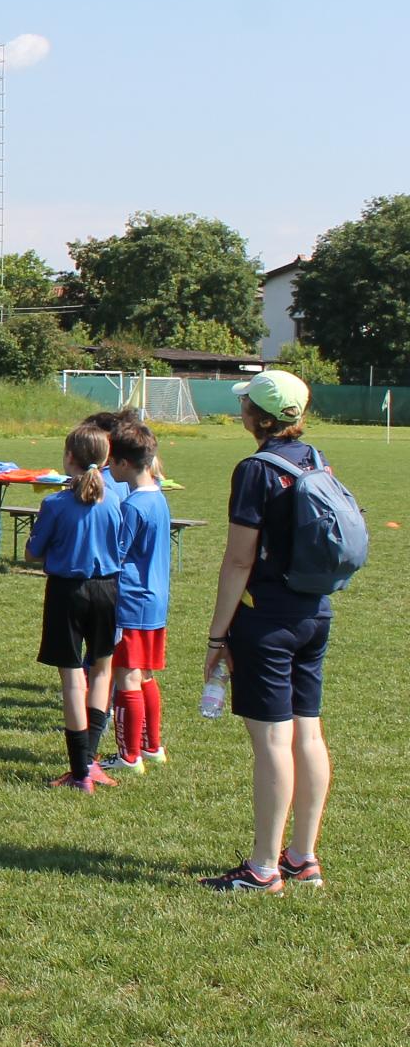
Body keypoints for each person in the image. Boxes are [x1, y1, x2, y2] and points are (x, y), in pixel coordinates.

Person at [201, 370, 337, 893]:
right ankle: (303, 857)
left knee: (273, 740)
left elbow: (238, 561)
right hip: (314, 612)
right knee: (308, 732)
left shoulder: (255, 470)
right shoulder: (316, 458)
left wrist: (218, 636)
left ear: (256, 418)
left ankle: (263, 869)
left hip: (268, 619)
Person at [27, 423, 126, 793]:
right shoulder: (115, 500)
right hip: (108, 589)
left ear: (69, 457)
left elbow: (34, 551)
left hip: (68, 591)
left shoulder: (55, 503)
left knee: (72, 678)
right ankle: (91, 762)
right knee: (102, 671)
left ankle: (80, 770)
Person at [102, 423, 172, 776]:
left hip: (130, 601)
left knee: (126, 677)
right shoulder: (158, 495)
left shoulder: (133, 506)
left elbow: (117, 554)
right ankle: (152, 746)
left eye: (110, 462)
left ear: (124, 463)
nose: (108, 469)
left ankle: (129, 757)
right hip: (155, 600)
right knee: (144, 675)